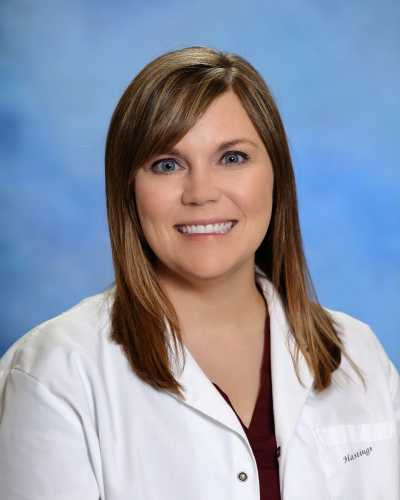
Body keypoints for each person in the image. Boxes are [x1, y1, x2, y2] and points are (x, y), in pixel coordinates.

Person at [0, 46, 399, 500]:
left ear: (276, 175)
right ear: (129, 190)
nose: (201, 193)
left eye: (232, 158)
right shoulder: (56, 373)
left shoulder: (361, 355)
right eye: (167, 165)